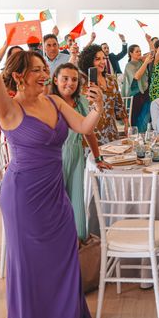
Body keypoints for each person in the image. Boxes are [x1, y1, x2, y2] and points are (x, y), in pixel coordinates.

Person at [0, 12, 101, 318]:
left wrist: (98, 106)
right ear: (19, 77)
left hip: (56, 197)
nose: (45, 74)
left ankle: (66, 316)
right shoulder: (10, 109)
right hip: (23, 198)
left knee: (63, 254)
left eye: (45, 69)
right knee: (30, 264)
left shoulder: (55, 102)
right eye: (37, 71)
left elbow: (83, 126)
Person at [51, 63, 107, 240]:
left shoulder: (81, 101)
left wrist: (98, 157)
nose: (70, 83)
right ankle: (59, 244)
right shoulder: (49, 102)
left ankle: (79, 245)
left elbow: (88, 131)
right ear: (55, 80)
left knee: (77, 204)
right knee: (57, 205)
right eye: (65, 79)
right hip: (56, 158)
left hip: (76, 157)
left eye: (74, 79)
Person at [78, 44, 128, 145]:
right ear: (89, 61)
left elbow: (119, 104)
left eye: (103, 58)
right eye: (97, 59)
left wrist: (127, 123)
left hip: (111, 132)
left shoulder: (111, 79)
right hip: (92, 133)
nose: (102, 62)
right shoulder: (83, 83)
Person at [122, 44, 154, 132]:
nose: (139, 52)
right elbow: (137, 76)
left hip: (145, 93)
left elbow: (151, 54)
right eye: (137, 51)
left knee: (146, 119)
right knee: (137, 121)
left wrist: (149, 42)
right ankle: (137, 139)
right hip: (135, 96)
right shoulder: (129, 65)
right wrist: (145, 62)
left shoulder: (141, 61)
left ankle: (145, 138)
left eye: (140, 51)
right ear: (131, 53)